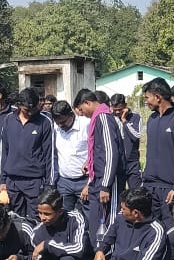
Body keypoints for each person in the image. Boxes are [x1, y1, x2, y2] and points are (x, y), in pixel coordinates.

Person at [0, 88, 55, 225]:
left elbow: (50, 155)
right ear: (18, 105)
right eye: (26, 110)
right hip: (12, 181)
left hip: (35, 181)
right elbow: (3, 151)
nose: (29, 113)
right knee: (14, 219)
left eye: (32, 109)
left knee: (36, 220)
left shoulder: (45, 122)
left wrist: (49, 185)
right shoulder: (8, 120)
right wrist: (2, 181)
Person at [141, 78, 174, 227]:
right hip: (150, 187)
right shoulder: (152, 119)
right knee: (152, 229)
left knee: (172, 231)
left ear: (158, 97)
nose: (146, 102)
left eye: (147, 98)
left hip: (170, 188)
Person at [75, 90, 123, 247]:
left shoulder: (103, 118)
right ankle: (98, 254)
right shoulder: (96, 120)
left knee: (110, 220)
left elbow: (111, 153)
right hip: (97, 180)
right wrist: (89, 166)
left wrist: (105, 185)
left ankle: (110, 257)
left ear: (88, 102)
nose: (82, 115)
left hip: (108, 182)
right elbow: (99, 152)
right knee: (96, 222)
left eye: (81, 110)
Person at [49, 101, 90, 214]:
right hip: (64, 183)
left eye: (63, 122)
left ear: (71, 115)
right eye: (58, 123)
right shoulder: (56, 127)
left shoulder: (86, 124)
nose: (60, 125)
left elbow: (96, 151)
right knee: (64, 216)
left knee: (88, 216)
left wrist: (89, 183)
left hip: (84, 182)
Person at [109, 94, 143, 190]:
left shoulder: (135, 117)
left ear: (125, 105)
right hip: (118, 163)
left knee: (136, 192)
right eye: (115, 109)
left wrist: (124, 121)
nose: (118, 112)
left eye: (120, 109)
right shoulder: (110, 119)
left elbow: (136, 136)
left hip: (132, 163)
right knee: (119, 194)